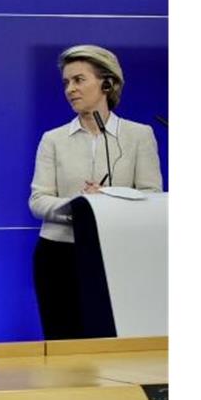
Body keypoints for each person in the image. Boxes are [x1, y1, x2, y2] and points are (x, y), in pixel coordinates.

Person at [28, 44, 162, 339]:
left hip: (118, 253)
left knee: (111, 342)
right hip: (59, 255)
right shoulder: (53, 139)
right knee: (63, 343)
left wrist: (109, 203)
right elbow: (38, 201)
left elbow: (152, 197)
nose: (70, 90)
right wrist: (81, 207)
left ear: (107, 83)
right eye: (66, 83)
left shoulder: (139, 136)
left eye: (79, 80)